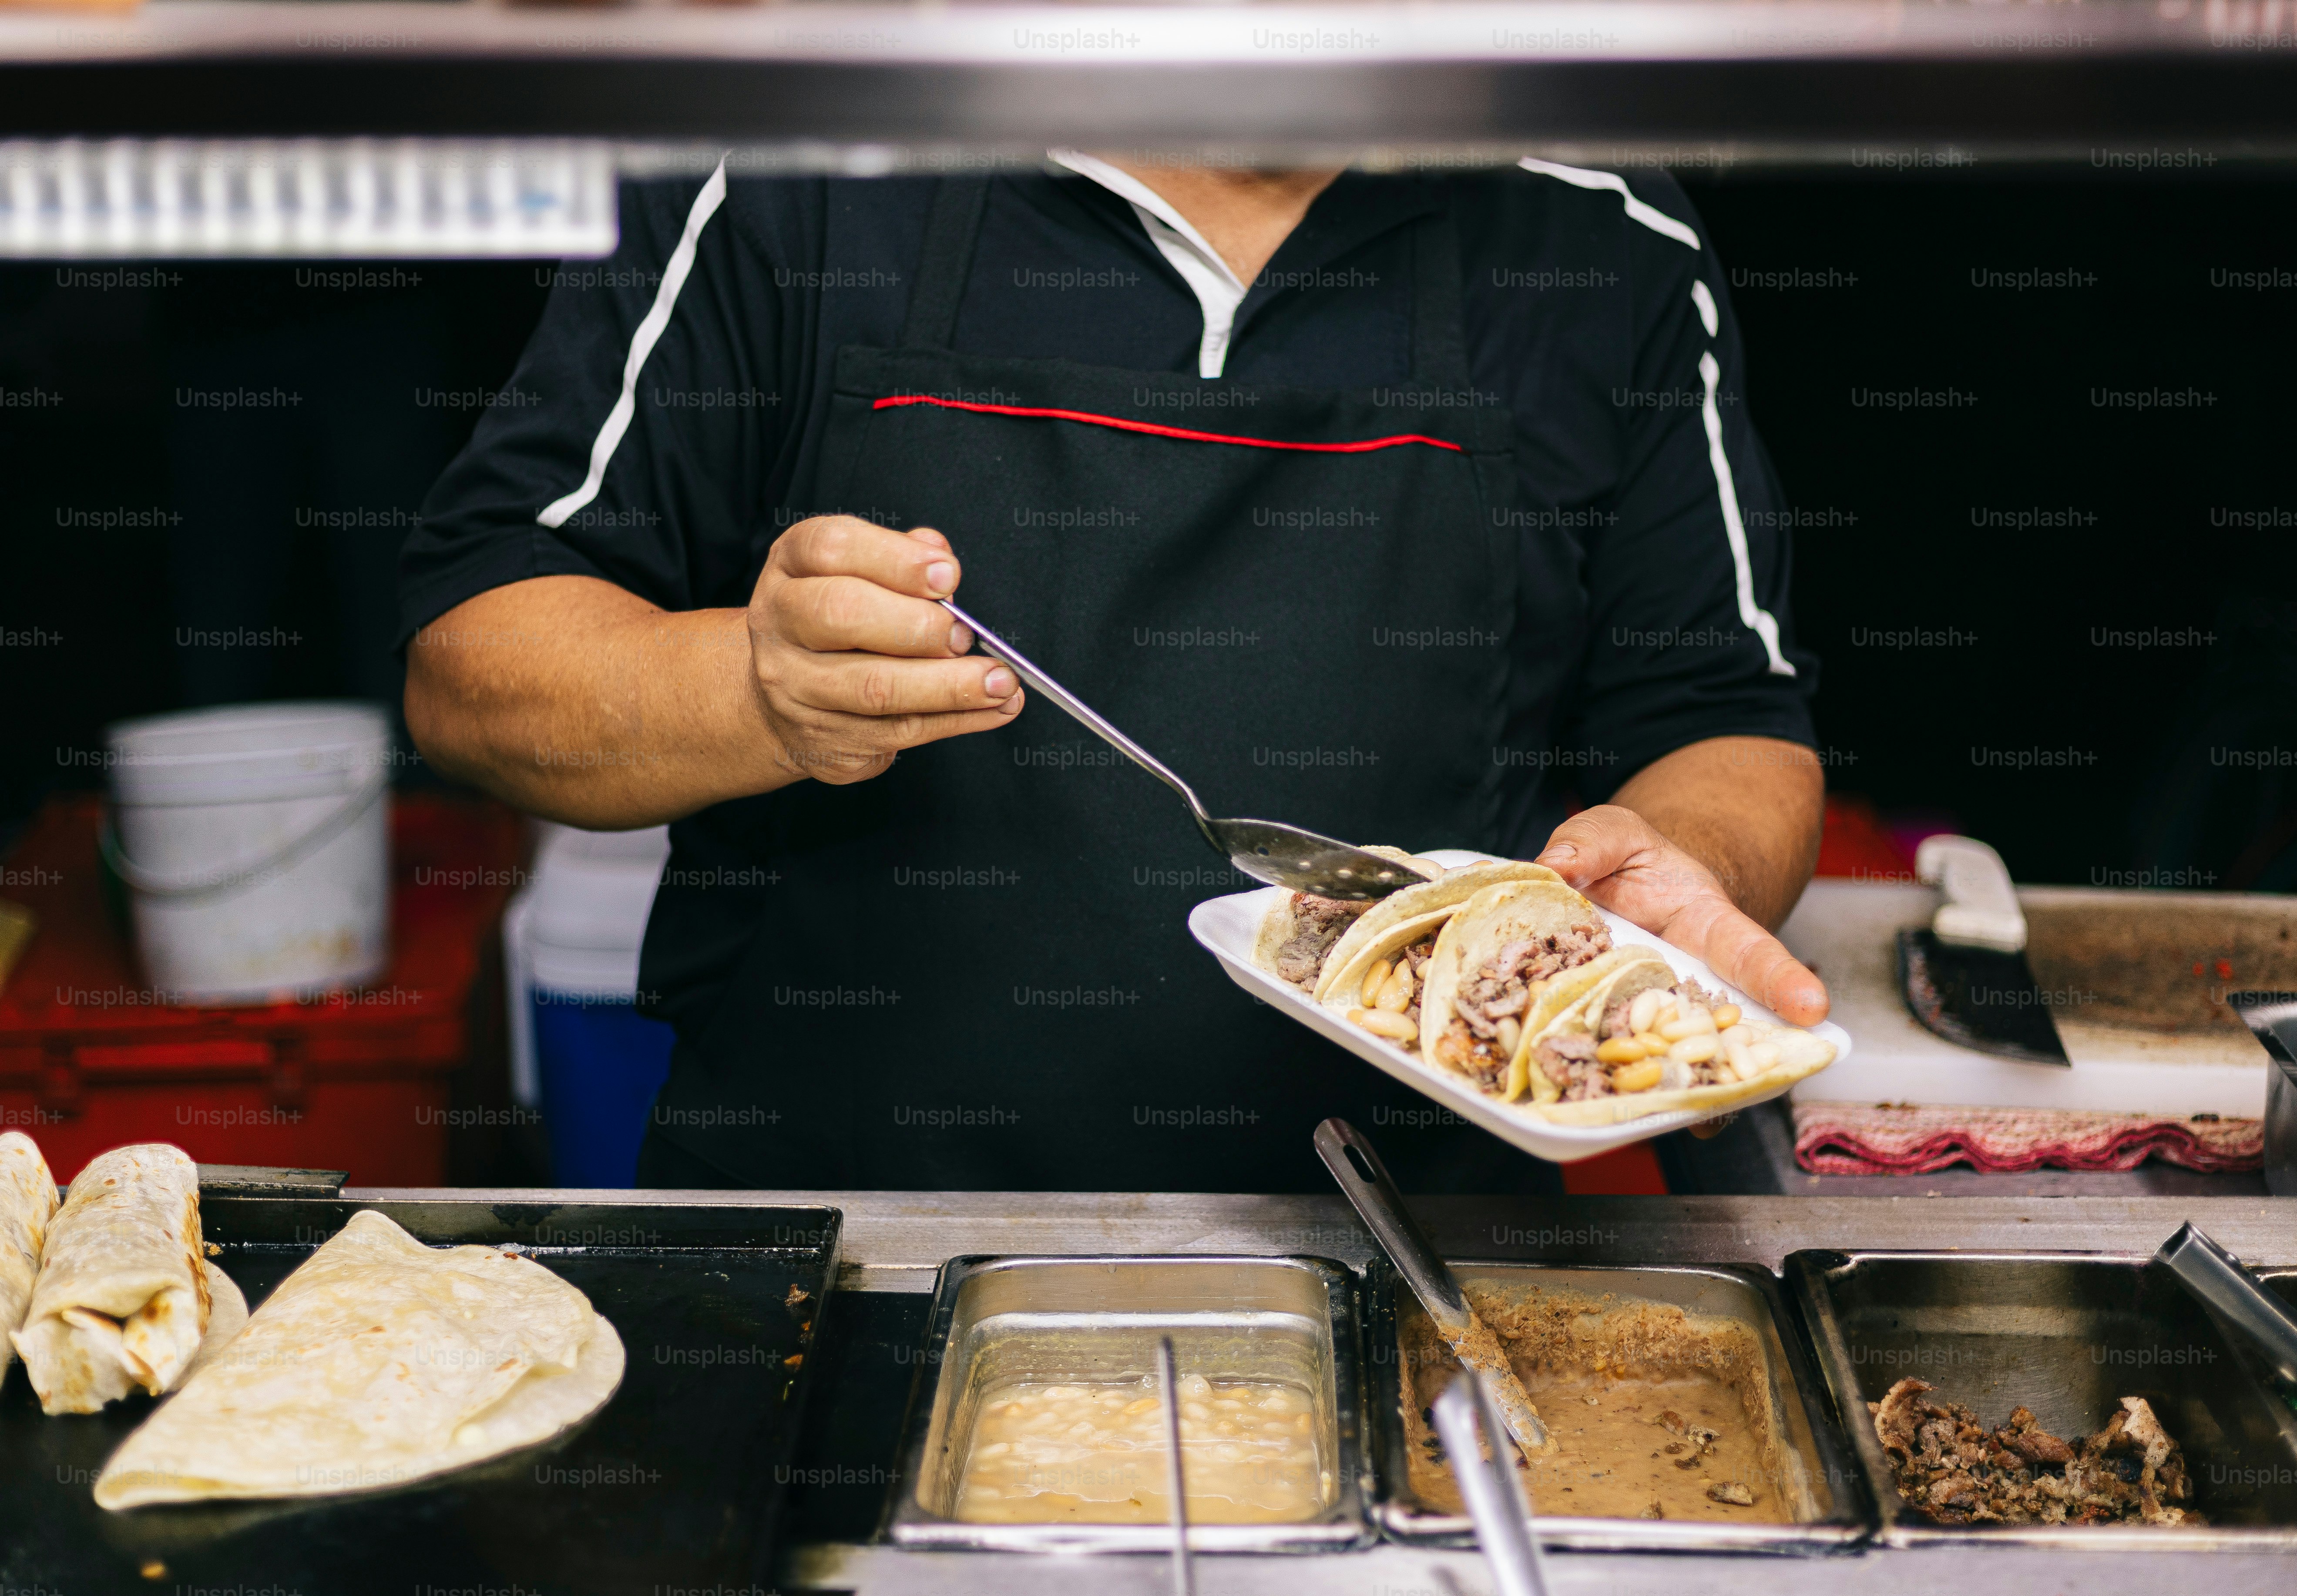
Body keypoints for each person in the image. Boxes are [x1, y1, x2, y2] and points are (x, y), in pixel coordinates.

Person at [399, 154, 1828, 1194]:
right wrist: (755, 690)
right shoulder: (804, 161)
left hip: (1418, 1268)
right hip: (843, 1247)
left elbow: (1725, 715)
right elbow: (470, 665)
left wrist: (1684, 865)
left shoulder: (1599, 227)